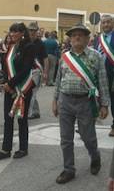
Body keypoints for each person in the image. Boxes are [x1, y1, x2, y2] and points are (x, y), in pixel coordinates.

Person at [52, 23, 110, 184]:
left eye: (80, 34)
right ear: (69, 39)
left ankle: (95, 155)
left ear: (87, 38)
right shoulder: (64, 56)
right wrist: (55, 100)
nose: (76, 37)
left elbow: (103, 82)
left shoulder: (95, 56)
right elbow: (58, 80)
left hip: (86, 102)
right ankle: (69, 169)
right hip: (65, 101)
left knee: (88, 137)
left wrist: (104, 104)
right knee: (65, 138)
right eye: (73, 35)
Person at [0, 22, 35, 160]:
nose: (12, 34)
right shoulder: (11, 47)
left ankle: (23, 148)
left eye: (15, 31)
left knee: (21, 119)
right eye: (11, 31)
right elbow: (6, 67)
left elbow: (26, 69)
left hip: (23, 88)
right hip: (9, 88)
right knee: (8, 118)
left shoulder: (29, 47)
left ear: (23, 33)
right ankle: (6, 149)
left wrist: (10, 84)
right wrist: (5, 82)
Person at [94, 15, 114, 137]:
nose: (105, 25)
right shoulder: (97, 39)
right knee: (93, 100)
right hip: (99, 75)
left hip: (113, 75)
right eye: (103, 22)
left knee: (113, 101)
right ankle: (88, 125)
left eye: (108, 22)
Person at [27, 22, 49, 119]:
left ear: (37, 31)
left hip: (37, 71)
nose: (32, 32)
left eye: (34, 30)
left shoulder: (40, 43)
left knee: (32, 92)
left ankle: (29, 113)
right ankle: (36, 112)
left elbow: (45, 59)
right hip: (27, 71)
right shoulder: (26, 42)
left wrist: (45, 73)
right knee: (31, 92)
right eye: (30, 30)